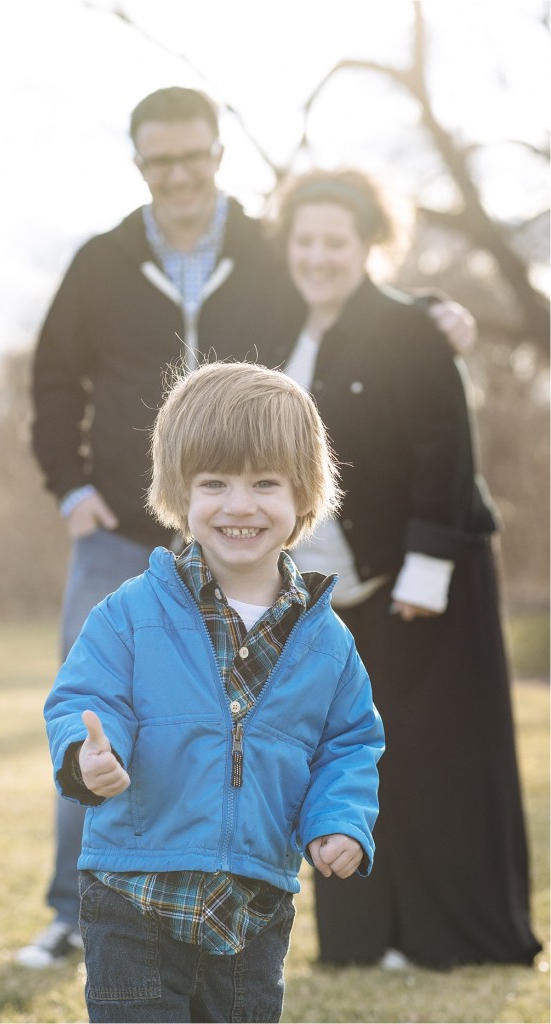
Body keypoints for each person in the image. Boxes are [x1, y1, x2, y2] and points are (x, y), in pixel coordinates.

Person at [22, 84, 475, 968]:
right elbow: (51, 382)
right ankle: (78, 908)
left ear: (219, 155)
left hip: (243, 523)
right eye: (162, 160)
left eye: (195, 156)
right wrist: (71, 489)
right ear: (140, 163)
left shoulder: (269, 251)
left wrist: (426, 308)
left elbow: (338, 278)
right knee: (95, 710)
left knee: (248, 716)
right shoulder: (100, 262)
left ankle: (234, 885)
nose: (181, 173)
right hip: (125, 524)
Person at [43, 360, 385, 1023]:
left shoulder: (325, 640)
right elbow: (84, 699)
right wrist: (91, 755)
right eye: (214, 483)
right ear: (180, 491)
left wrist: (339, 820)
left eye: (264, 483)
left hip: (253, 908)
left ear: (303, 495)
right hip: (131, 894)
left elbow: (349, 744)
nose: (238, 505)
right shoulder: (130, 611)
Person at [267, 167, 542, 969]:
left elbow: (445, 454)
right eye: (305, 240)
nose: (318, 256)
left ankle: (445, 938)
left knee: (435, 758)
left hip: (426, 579)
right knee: (344, 757)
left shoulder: (407, 328)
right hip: (328, 589)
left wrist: (424, 575)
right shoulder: (282, 325)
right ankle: (361, 940)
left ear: (369, 246)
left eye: (336, 242)